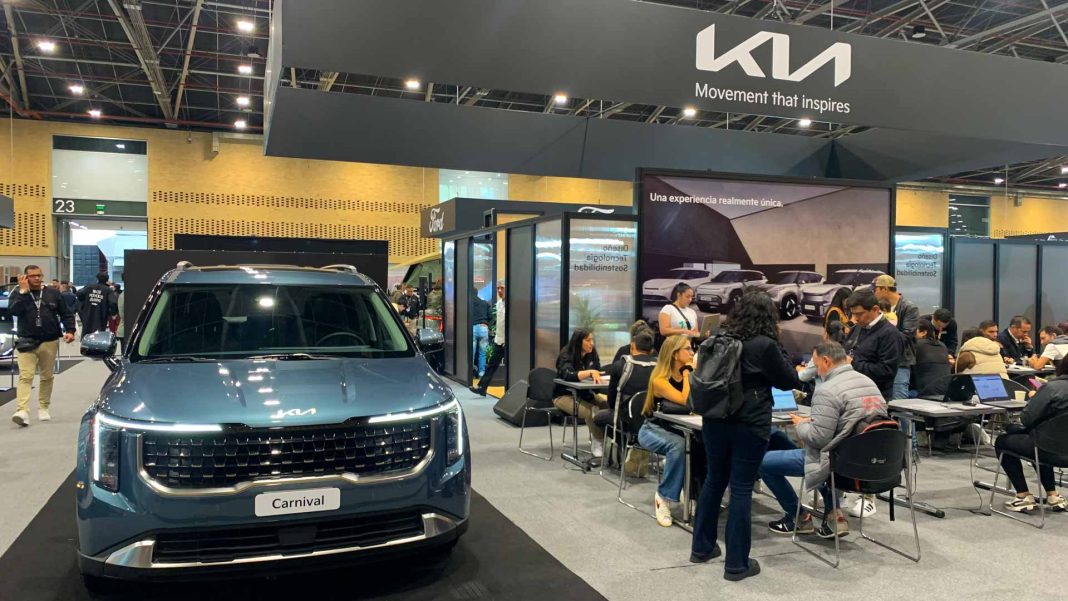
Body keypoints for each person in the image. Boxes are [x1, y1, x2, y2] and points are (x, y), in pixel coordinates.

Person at [690, 289, 800, 582]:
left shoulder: (719, 338)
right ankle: (737, 564)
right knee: (740, 488)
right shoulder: (765, 345)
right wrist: (778, 343)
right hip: (749, 423)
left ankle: (701, 548)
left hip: (714, 419)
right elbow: (789, 379)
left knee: (714, 480)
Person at [760, 341, 888, 538]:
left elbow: (817, 439)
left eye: (816, 364)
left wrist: (801, 424)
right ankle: (834, 516)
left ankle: (798, 518)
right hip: (870, 461)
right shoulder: (868, 382)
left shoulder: (826, 389)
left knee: (763, 463)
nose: (815, 370)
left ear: (826, 361)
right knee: (807, 453)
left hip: (837, 461)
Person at [994, 355, 1068, 512]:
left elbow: (1026, 419)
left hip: (1048, 450)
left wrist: (1035, 398)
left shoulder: (1052, 388)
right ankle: (1053, 495)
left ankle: (1023, 496)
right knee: (1041, 439)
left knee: (1002, 441)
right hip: (1061, 450)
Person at [8, 265, 76, 427]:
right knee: (25, 376)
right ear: (25, 277)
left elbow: (66, 313)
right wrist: (23, 292)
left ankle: (44, 407)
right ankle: (22, 410)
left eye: (39, 275)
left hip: (49, 340)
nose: (37, 278)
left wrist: (70, 330)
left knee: (47, 376)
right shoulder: (18, 293)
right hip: (26, 340)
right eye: (33, 276)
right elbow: (14, 311)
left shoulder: (53, 293)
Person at [640, 334, 693, 527]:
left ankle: (693, 493)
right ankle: (663, 497)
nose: (692, 352)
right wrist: (688, 374)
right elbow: (685, 399)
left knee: (701, 443)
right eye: (687, 349)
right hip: (652, 430)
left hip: (681, 428)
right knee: (679, 446)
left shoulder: (688, 373)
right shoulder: (659, 380)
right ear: (674, 354)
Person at [552, 329, 608, 457]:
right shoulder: (566, 354)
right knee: (590, 411)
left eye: (592, 340)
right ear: (578, 342)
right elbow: (568, 375)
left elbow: (597, 371)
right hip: (563, 396)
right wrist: (589, 373)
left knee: (606, 405)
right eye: (588, 340)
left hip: (585, 393)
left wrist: (597, 376)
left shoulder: (592, 353)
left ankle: (609, 440)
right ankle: (598, 440)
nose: (591, 343)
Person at [843, 290, 903, 401]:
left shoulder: (890, 334)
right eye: (853, 314)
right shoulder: (857, 327)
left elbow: (887, 372)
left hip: (874, 400)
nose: (855, 318)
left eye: (859, 314)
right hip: (850, 394)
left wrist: (853, 364)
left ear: (875, 309)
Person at [873, 275, 919, 401]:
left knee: (899, 401)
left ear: (885, 289)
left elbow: (907, 335)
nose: (874, 292)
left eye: (876, 289)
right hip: (880, 361)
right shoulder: (876, 307)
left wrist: (884, 339)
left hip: (900, 361)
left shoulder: (909, 307)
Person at [469, 281, 506, 396]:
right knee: (491, 365)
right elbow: (497, 321)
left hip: (508, 341)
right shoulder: (498, 304)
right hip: (499, 340)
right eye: (498, 288)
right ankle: (482, 387)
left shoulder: (512, 305)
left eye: (502, 288)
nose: (499, 291)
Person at [913, 319, 952, 395]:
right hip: (946, 390)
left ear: (924, 332)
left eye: (914, 330)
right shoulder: (942, 345)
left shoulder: (917, 345)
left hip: (926, 391)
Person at [76, 272, 117, 339]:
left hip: (88, 314)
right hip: (101, 315)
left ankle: (85, 343)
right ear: (107, 280)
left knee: (86, 333)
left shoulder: (89, 287)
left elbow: (79, 294)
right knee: (99, 335)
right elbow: (113, 303)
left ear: (97, 279)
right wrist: (113, 313)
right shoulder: (108, 290)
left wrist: (85, 302)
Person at [470, 291, 491, 378]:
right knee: (482, 353)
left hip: (472, 328)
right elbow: (491, 316)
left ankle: (470, 374)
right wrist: (487, 324)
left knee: (471, 352)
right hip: (483, 328)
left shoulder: (469, 303)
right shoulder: (484, 303)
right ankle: (481, 373)